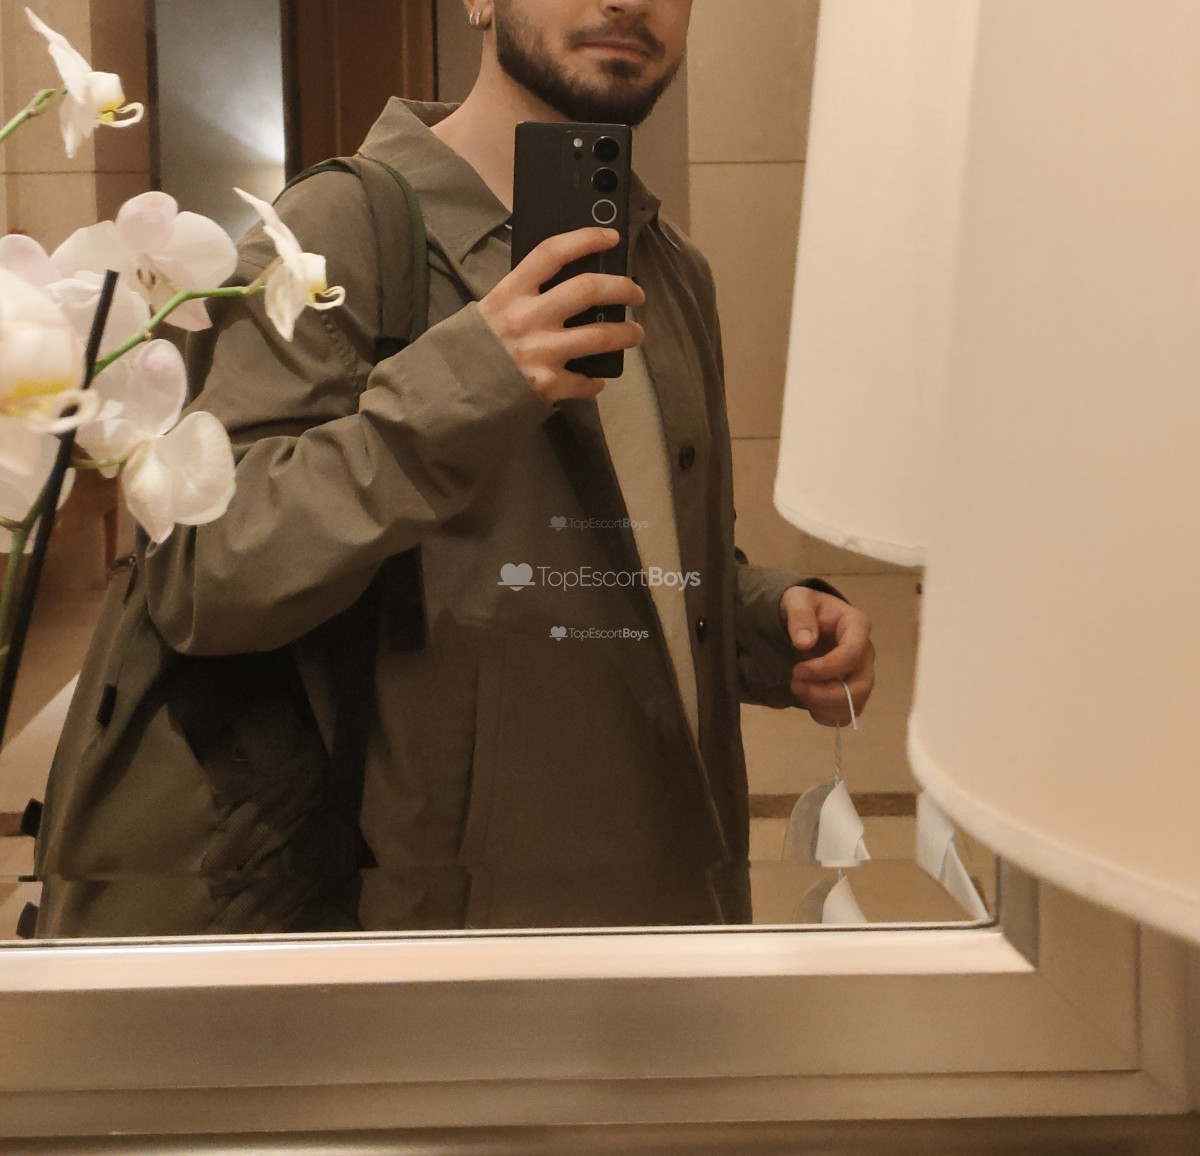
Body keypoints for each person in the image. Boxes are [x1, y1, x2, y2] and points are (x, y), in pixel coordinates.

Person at [44, 0, 877, 933]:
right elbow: (206, 572)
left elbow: (634, 552)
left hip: (681, 900)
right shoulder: (337, 231)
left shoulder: (672, 266)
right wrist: (472, 381)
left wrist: (765, 618)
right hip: (448, 937)